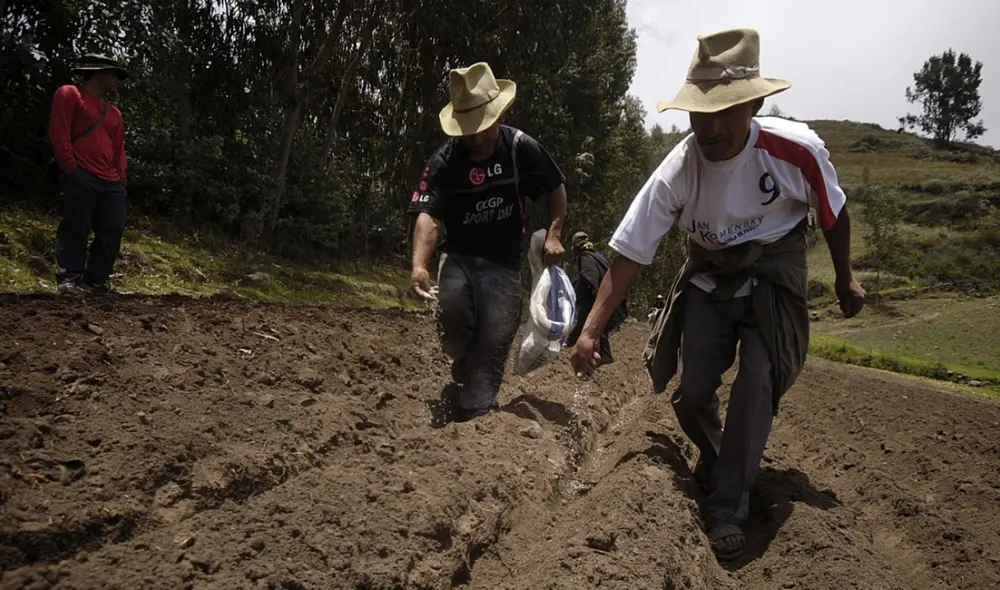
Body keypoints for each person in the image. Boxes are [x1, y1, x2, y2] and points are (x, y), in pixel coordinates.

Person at [568, 29, 865, 561]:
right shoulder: (679, 169)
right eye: (698, 113)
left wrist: (845, 277)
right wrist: (590, 330)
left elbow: (833, 214)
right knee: (691, 393)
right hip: (708, 273)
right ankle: (723, 458)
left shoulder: (797, 151)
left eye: (724, 111)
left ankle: (729, 503)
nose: (709, 127)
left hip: (774, 271)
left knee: (758, 372)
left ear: (754, 103)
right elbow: (632, 254)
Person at [408, 62, 567, 422]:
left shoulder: (520, 148)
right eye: (469, 131)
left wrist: (554, 233)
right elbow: (429, 215)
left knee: (495, 334)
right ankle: (463, 364)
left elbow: (555, 188)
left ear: (498, 117)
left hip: (504, 259)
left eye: (483, 128)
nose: (477, 139)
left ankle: (477, 406)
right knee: (450, 311)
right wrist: (419, 265)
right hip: (461, 254)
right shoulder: (445, 161)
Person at [49, 54, 129, 295]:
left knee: (112, 229)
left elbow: (118, 150)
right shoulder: (69, 94)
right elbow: (58, 131)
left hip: (111, 181)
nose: (118, 81)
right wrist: (70, 167)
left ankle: (95, 281)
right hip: (81, 172)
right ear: (97, 73)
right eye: (114, 74)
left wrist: (121, 179)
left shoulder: (114, 113)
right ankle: (69, 279)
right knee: (76, 225)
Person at [566, 231, 626, 364]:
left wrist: (593, 294)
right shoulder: (599, 256)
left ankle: (604, 355)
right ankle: (571, 342)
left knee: (588, 321)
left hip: (593, 297)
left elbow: (589, 274)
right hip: (604, 297)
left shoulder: (585, 257)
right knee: (592, 324)